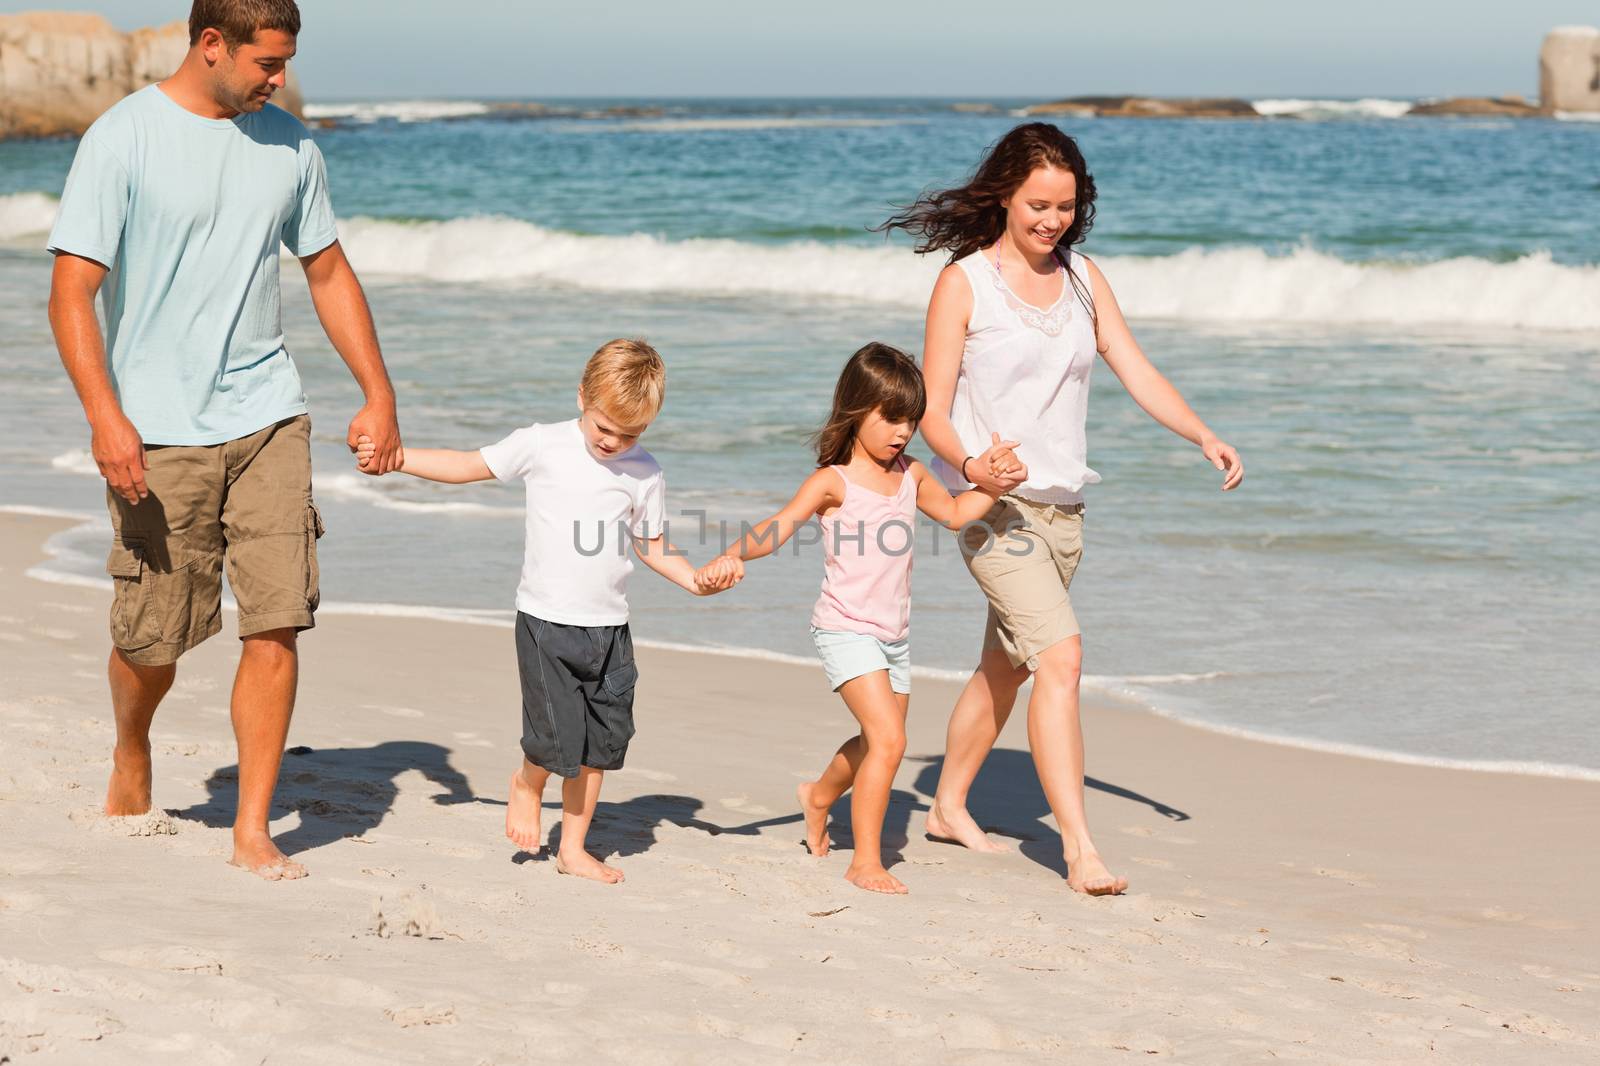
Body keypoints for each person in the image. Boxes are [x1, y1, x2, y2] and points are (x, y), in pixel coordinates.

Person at [45, 0, 403, 880]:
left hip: (269, 414)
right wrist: (106, 416)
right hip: (156, 430)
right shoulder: (121, 139)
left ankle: (252, 827)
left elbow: (325, 268)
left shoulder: (291, 146)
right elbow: (72, 291)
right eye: (266, 64)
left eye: (284, 63)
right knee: (151, 641)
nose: (278, 80)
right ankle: (134, 752)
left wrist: (378, 392)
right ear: (212, 45)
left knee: (278, 622)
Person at [880, 122, 1244, 896]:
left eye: (1067, 207)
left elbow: (1136, 369)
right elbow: (932, 408)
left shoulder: (1083, 278)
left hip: (1065, 513)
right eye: (1039, 205)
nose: (1053, 221)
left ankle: (946, 805)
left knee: (1006, 668)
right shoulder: (964, 283)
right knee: (1063, 658)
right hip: (992, 509)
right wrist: (973, 463)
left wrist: (1201, 432)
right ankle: (1079, 849)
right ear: (1005, 196)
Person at [357, 339, 732, 884]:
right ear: (582, 396)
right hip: (546, 622)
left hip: (610, 629)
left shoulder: (645, 473)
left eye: (631, 433)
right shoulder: (542, 444)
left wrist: (695, 580)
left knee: (600, 745)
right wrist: (396, 458)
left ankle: (573, 847)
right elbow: (469, 465)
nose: (613, 442)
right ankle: (527, 785)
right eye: (605, 427)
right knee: (556, 738)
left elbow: (651, 545)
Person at [697, 343, 1024, 894]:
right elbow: (778, 527)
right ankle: (865, 861)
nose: (902, 432)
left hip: (893, 635)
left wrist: (991, 485)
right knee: (890, 741)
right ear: (856, 409)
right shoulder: (833, 481)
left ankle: (819, 795)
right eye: (891, 419)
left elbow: (953, 513)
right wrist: (733, 553)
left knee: (878, 743)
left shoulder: (911, 473)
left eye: (911, 422)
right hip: (844, 628)